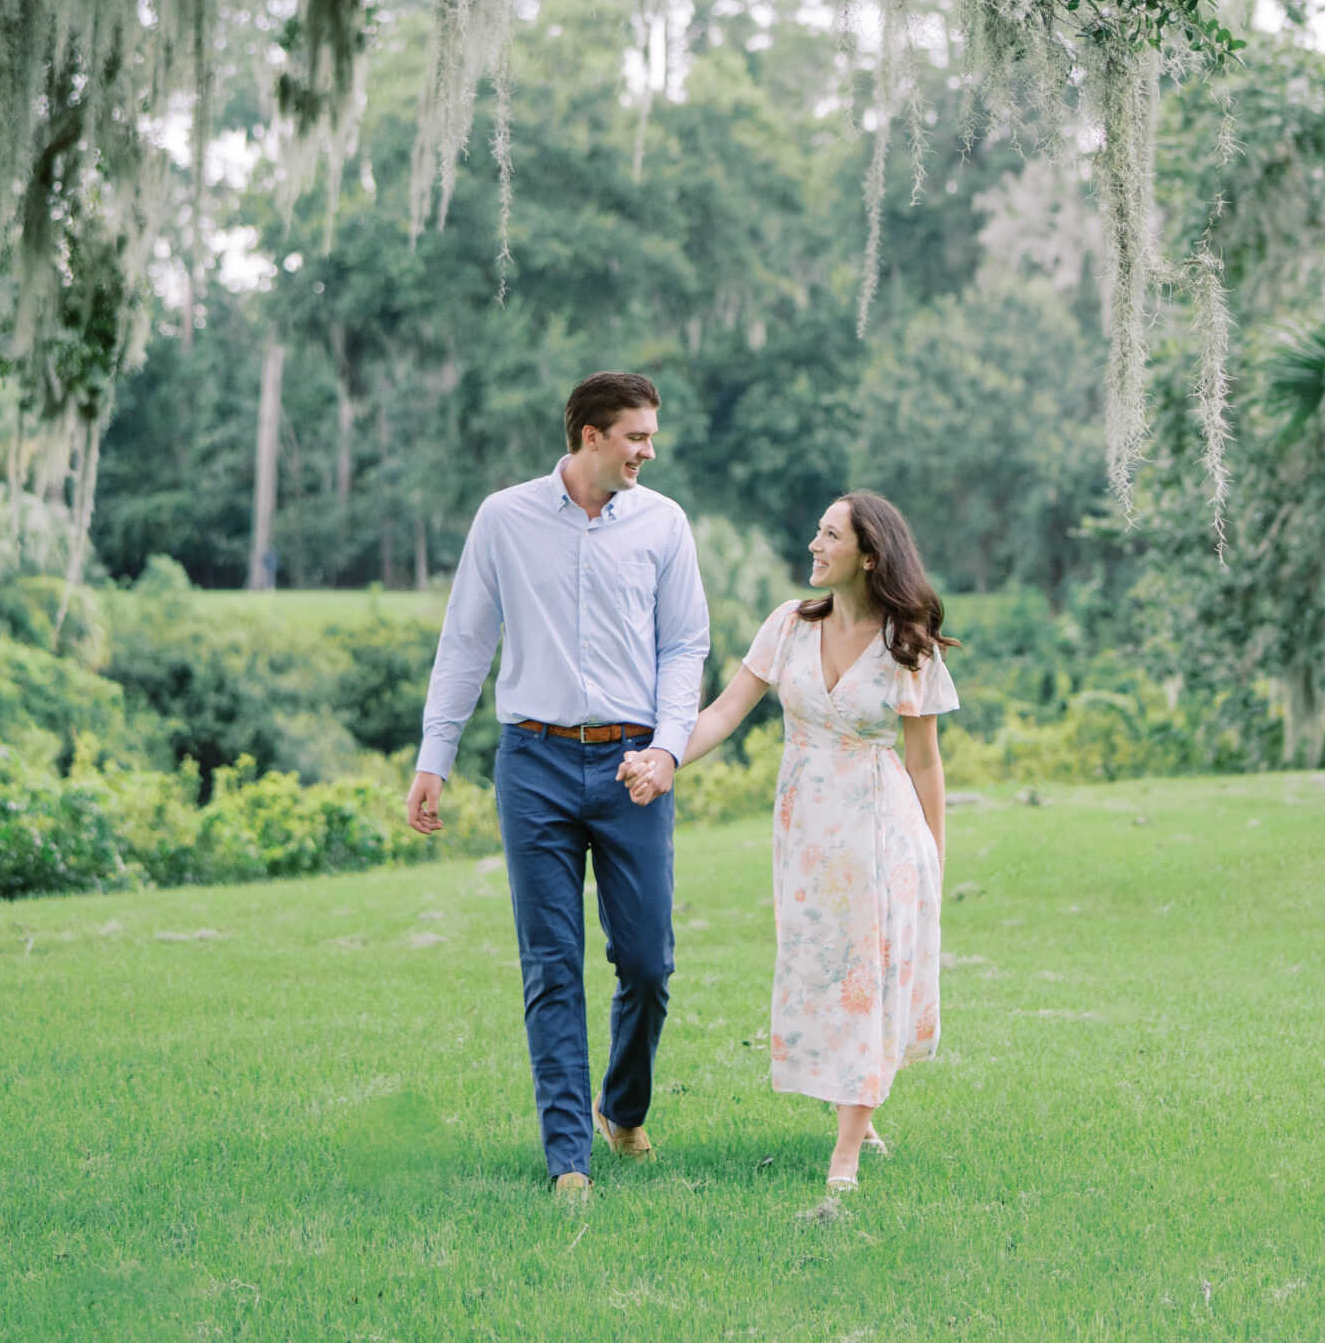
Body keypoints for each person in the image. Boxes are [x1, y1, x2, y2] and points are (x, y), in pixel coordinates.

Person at [404, 372, 710, 1204]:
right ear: (588, 436)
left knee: (647, 963)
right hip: (533, 762)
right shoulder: (504, 518)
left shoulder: (664, 524)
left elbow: (685, 648)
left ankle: (625, 1108)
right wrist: (435, 756)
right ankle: (567, 1155)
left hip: (631, 766)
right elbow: (466, 642)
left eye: (650, 435)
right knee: (550, 965)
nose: (649, 450)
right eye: (636, 436)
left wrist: (669, 750)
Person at [629, 493, 957, 1190]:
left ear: (868, 556)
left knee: (865, 975)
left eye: (830, 535)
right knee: (824, 972)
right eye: (817, 531)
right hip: (806, 833)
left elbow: (925, 761)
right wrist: (666, 758)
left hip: (879, 831)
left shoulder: (907, 641)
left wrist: (934, 856)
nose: (814, 544)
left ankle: (845, 1151)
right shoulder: (789, 626)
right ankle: (858, 1117)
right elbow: (721, 712)